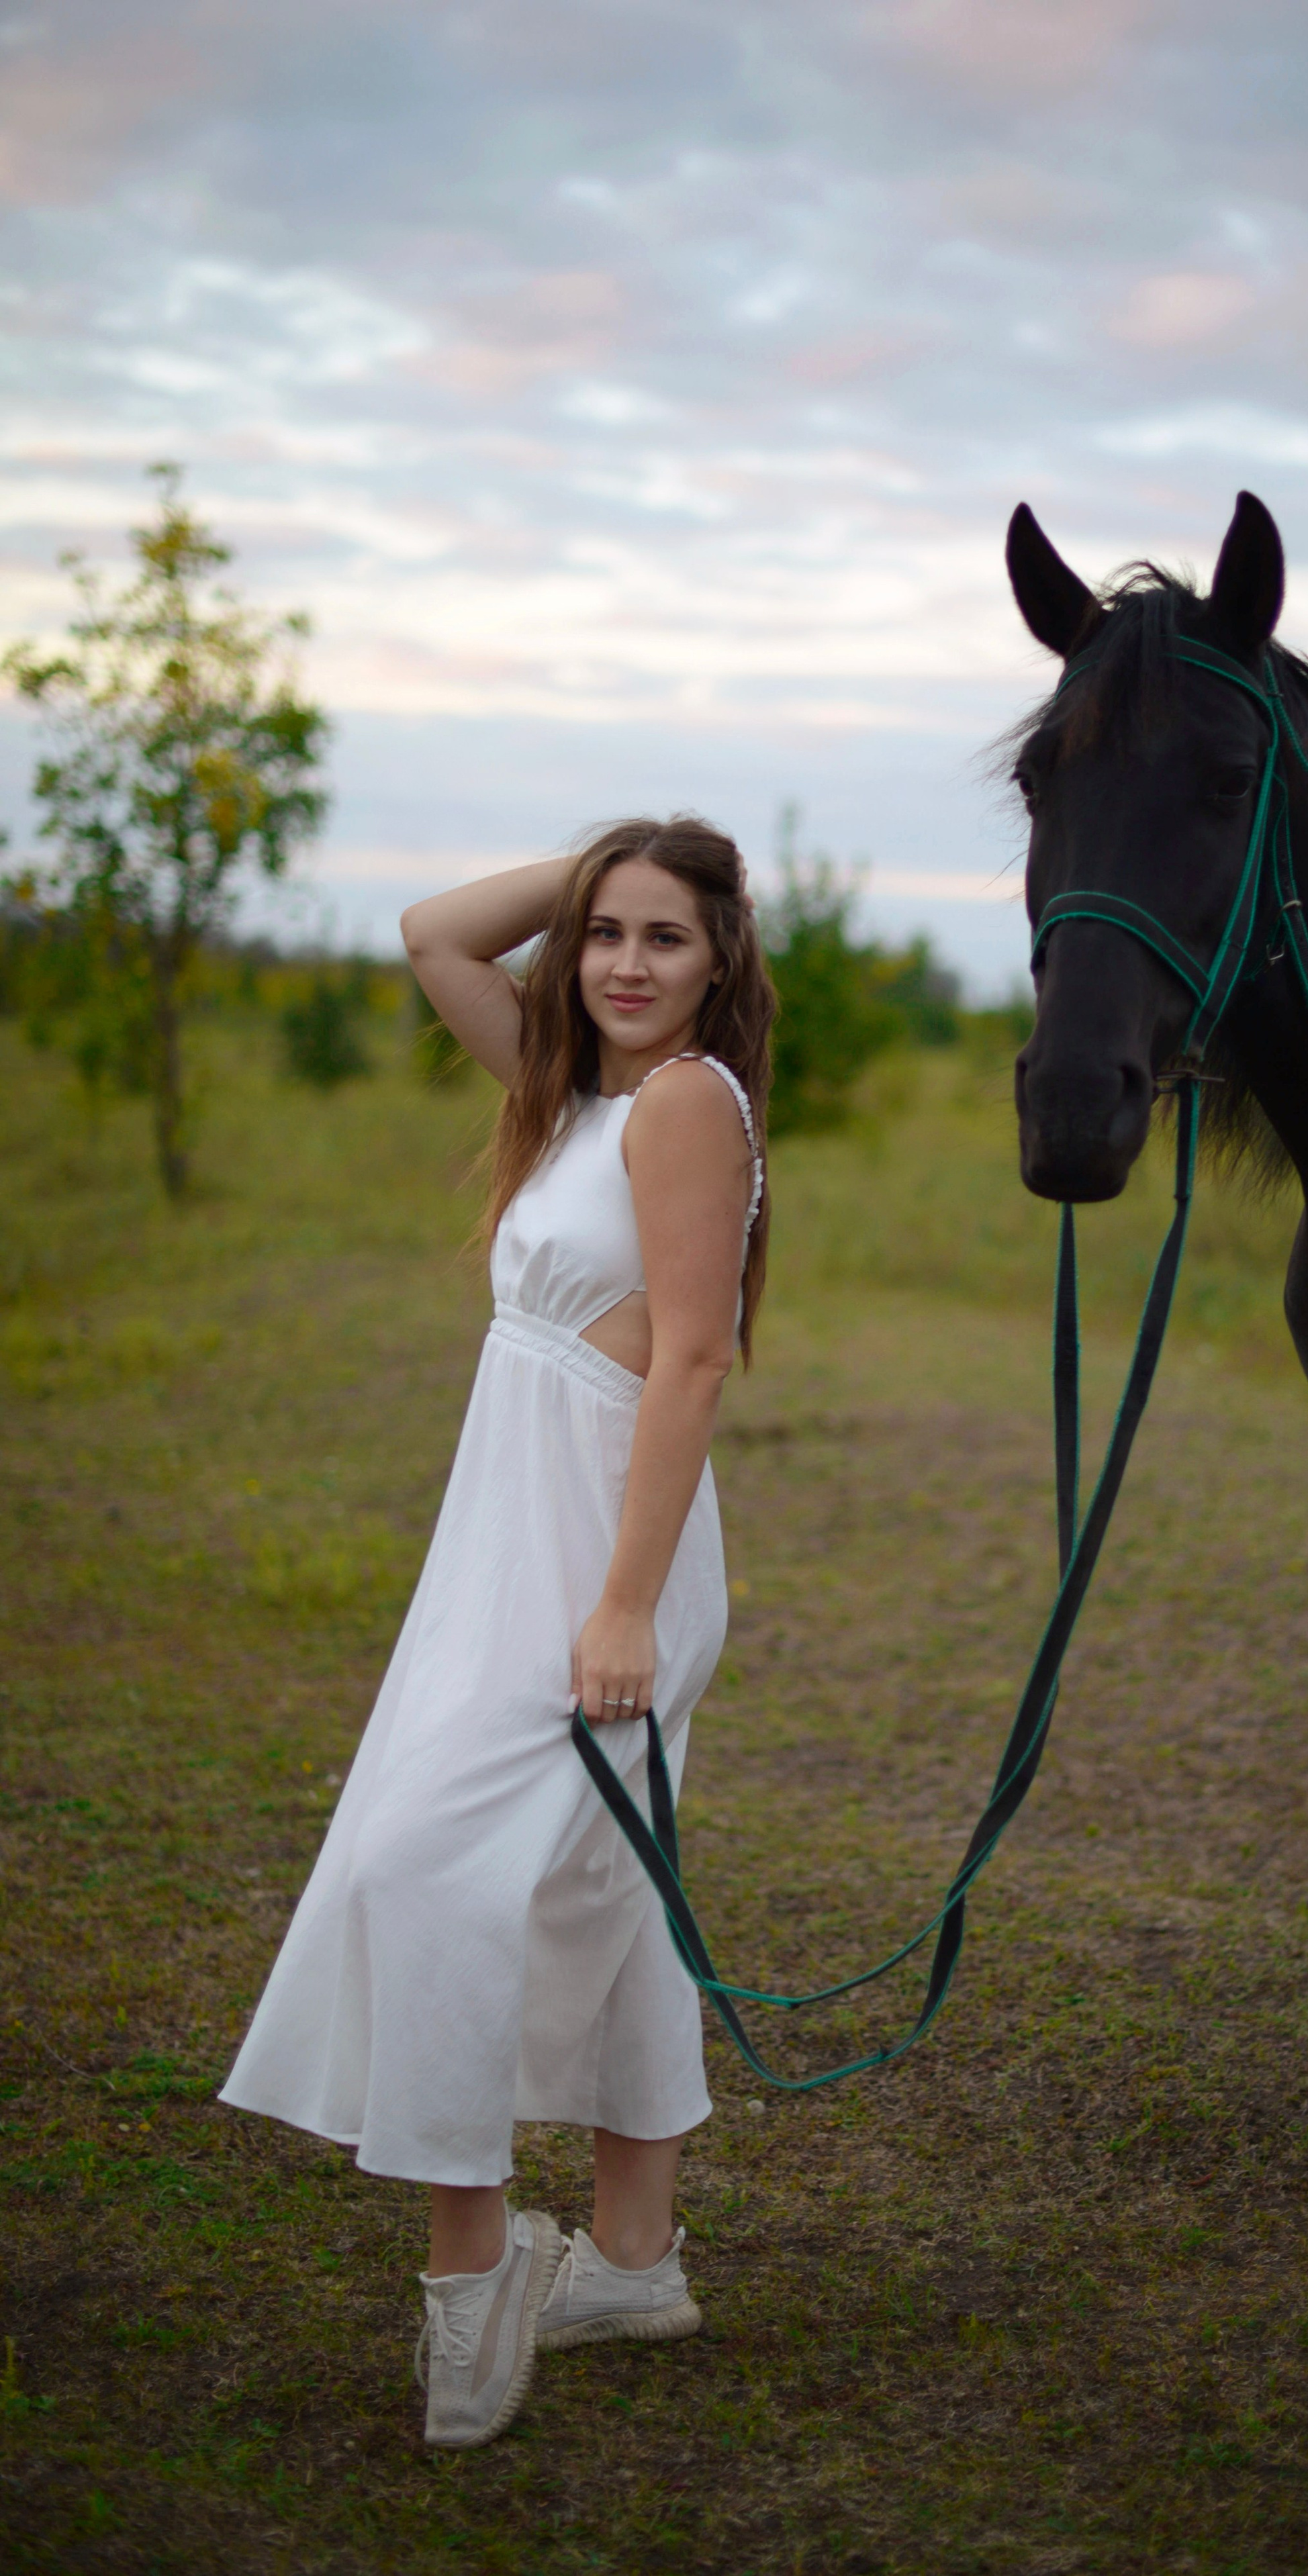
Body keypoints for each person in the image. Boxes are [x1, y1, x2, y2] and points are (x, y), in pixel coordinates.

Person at [220, 815, 772, 2448]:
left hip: (601, 1548)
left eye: (664, 936)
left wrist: (619, 1604)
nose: (618, 961)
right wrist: (602, 845)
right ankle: (632, 2255)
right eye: (601, 930)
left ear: (721, 958)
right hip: (506, 1538)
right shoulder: (584, 1091)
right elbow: (433, 934)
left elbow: (690, 1362)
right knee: (600, 1882)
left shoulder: (683, 1104)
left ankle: (478, 2270)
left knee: (425, 1864)